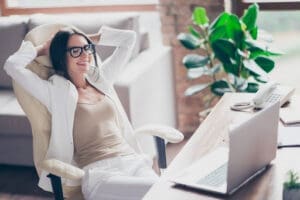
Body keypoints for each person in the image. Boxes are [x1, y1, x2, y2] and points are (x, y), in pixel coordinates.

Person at [4, 25, 159, 200]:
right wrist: (44, 48)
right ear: (61, 56)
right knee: (157, 192)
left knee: (168, 191)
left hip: (133, 163)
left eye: (87, 49)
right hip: (101, 174)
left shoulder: (102, 79)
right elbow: (12, 65)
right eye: (75, 51)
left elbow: (129, 38)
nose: (85, 55)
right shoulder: (55, 92)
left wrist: (84, 38)